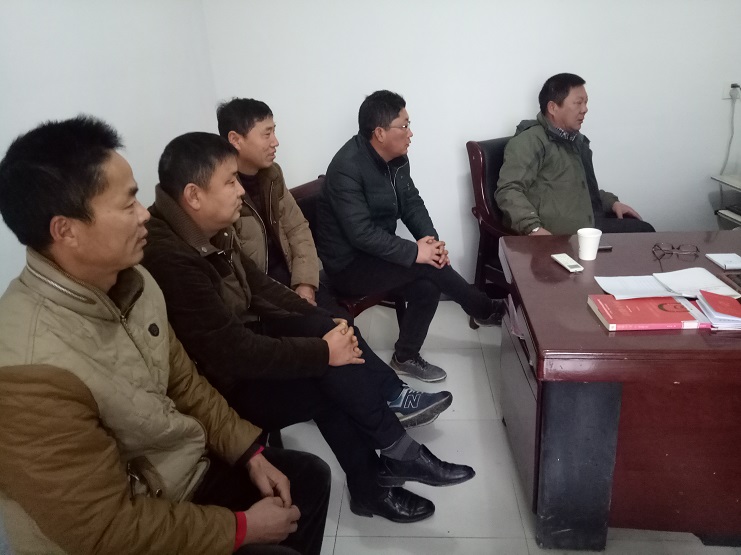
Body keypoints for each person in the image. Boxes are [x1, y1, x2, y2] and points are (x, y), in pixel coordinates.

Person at [0, 116, 330, 555]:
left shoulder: (135, 280)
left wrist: (249, 453)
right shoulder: (26, 370)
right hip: (126, 525)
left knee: (307, 479)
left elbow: (185, 383)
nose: (144, 215)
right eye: (127, 205)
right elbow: (102, 531)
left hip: (182, 472)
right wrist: (240, 529)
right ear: (67, 231)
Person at [141, 131, 476, 524]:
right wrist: (323, 351)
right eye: (229, 182)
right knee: (329, 373)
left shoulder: (207, 226)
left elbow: (259, 286)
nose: (239, 191)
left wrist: (324, 321)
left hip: (243, 343)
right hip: (215, 388)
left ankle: (388, 462)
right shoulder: (170, 257)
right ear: (194, 195)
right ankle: (387, 467)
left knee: (334, 334)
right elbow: (230, 353)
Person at [316, 90, 505, 384]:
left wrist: (432, 242)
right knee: (428, 268)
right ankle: (485, 310)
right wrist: (418, 253)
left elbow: (412, 203)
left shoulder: (397, 159)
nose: (410, 133)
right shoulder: (346, 168)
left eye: (409, 124)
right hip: (348, 265)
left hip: (377, 255)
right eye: (403, 126)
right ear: (380, 133)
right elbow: (360, 233)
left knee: (426, 284)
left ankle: (405, 356)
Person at [216, 97, 347, 318]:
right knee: (328, 330)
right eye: (266, 134)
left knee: (345, 324)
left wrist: (305, 284)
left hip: (292, 277)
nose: (275, 142)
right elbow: (239, 273)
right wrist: (291, 301)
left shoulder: (272, 174)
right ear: (235, 139)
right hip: (261, 299)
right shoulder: (221, 192)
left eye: (274, 132)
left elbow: (297, 228)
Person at [494, 72, 655, 236]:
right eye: (578, 103)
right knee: (644, 234)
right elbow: (508, 190)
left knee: (643, 230)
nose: (585, 109)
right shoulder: (531, 141)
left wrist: (611, 203)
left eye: (586, 102)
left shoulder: (576, 141)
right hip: (558, 235)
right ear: (553, 107)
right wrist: (533, 228)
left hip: (588, 225)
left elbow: (579, 188)